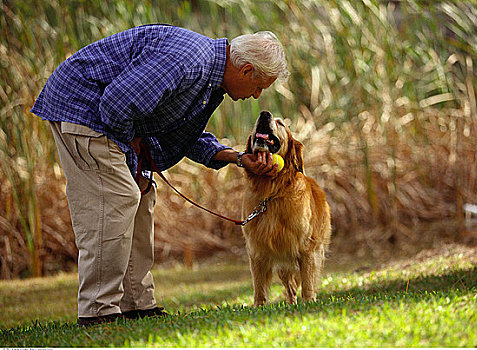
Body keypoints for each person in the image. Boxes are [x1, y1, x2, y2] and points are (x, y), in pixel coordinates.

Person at [31, 24, 289, 327]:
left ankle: (136, 302)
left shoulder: (209, 80)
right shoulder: (190, 60)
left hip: (107, 117)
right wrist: (133, 150)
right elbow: (116, 104)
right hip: (83, 109)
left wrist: (238, 158)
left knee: (141, 195)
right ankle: (97, 310)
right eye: (260, 87)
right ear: (246, 71)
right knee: (118, 197)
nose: (256, 95)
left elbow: (185, 136)